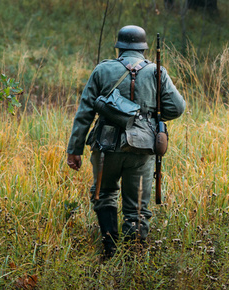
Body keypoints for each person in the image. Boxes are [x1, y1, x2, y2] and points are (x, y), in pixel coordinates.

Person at [66, 25, 185, 259]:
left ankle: (110, 249)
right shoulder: (157, 71)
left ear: (119, 46)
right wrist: (153, 116)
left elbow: (85, 113)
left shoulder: (103, 70)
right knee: (138, 206)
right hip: (142, 148)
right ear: (144, 48)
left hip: (105, 147)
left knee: (104, 193)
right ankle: (132, 257)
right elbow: (177, 108)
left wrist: (74, 149)